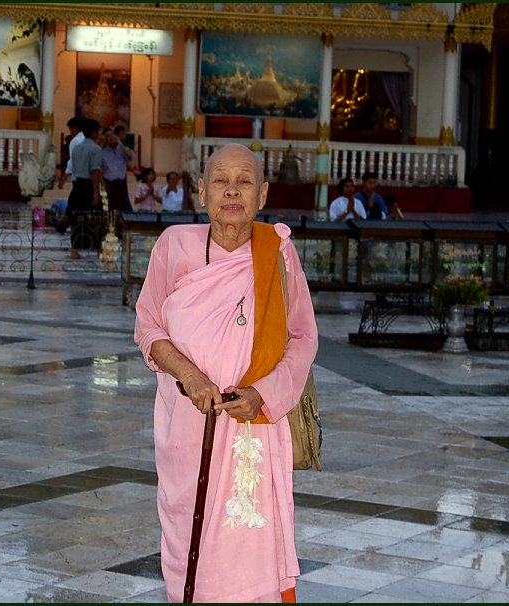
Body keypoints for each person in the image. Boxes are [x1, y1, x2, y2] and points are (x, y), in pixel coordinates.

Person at [133, 143, 318, 603]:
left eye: (244, 181)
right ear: (201, 192)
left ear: (263, 194)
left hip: (251, 432)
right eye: (220, 180)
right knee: (188, 544)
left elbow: (303, 338)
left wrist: (263, 393)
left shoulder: (278, 254)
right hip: (186, 427)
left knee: (245, 551)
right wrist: (190, 376)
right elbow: (148, 324)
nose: (232, 191)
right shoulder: (173, 245)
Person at [63, 118, 102, 259]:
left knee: (77, 218)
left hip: (77, 185)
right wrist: (96, 192)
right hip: (88, 185)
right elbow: (95, 171)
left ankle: (74, 249)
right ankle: (98, 248)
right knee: (96, 217)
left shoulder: (77, 147)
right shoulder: (95, 149)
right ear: (93, 133)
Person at [100, 126, 134, 211]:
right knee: (108, 208)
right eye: (107, 136)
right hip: (108, 183)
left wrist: (120, 143)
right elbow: (99, 168)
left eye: (112, 134)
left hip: (121, 183)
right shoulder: (102, 152)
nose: (111, 137)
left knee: (124, 208)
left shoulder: (122, 149)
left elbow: (130, 156)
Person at [57, 116, 85, 189]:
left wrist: (64, 178)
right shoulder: (86, 139)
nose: (70, 132)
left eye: (70, 129)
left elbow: (72, 160)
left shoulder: (75, 141)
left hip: (78, 175)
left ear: (76, 128)